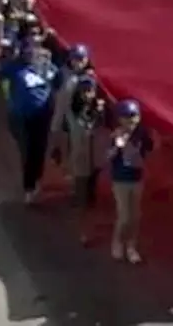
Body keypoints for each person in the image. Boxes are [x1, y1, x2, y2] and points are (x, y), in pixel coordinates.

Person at [0, 46, 58, 204]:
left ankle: (36, 179)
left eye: (35, 54)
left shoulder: (48, 68)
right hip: (21, 118)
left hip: (42, 117)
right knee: (27, 151)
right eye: (28, 54)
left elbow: (61, 80)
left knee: (39, 150)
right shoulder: (15, 68)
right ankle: (28, 187)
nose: (32, 57)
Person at [107, 99, 152, 263]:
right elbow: (107, 157)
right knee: (124, 215)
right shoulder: (116, 134)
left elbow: (151, 148)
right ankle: (118, 241)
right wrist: (117, 146)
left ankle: (131, 246)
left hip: (137, 178)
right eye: (126, 117)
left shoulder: (142, 134)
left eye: (134, 116)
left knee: (135, 216)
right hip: (120, 180)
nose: (130, 120)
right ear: (120, 119)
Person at [65, 75, 108, 244]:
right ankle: (84, 231)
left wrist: (100, 111)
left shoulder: (99, 109)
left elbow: (101, 127)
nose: (87, 94)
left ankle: (91, 226)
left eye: (90, 91)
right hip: (81, 157)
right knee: (82, 196)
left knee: (92, 196)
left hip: (95, 157)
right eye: (84, 91)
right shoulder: (74, 110)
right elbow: (82, 126)